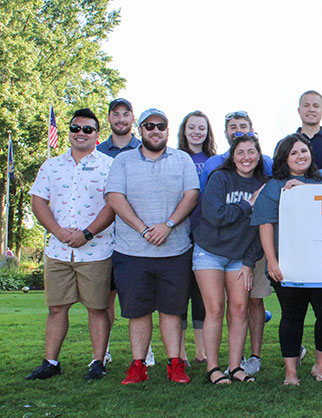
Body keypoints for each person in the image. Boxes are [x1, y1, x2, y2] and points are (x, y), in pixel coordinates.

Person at [105, 108, 199, 384]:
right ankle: (138, 366)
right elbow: (115, 197)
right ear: (140, 129)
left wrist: (167, 225)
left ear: (168, 130)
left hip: (176, 250)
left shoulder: (182, 160)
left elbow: (191, 195)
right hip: (132, 251)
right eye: (149, 126)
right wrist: (143, 229)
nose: (155, 130)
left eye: (161, 126)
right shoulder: (123, 161)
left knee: (172, 310)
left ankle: (175, 365)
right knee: (138, 311)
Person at [27, 108, 115, 381]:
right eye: (75, 128)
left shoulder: (109, 166)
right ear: (68, 132)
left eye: (87, 129)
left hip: (97, 250)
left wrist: (86, 234)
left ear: (97, 135)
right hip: (58, 250)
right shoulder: (51, 166)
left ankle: (97, 362)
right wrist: (58, 232)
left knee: (97, 308)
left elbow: (114, 203)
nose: (81, 133)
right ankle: (51, 362)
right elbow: (38, 201)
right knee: (56, 308)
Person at [252, 133, 322, 386]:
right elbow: (265, 224)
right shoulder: (274, 186)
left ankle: (321, 365)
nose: (300, 156)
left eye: (304, 150)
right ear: (284, 158)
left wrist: (306, 190)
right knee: (292, 317)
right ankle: (291, 372)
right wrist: (272, 261)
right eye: (293, 153)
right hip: (289, 265)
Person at [199, 110, 273, 376]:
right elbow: (216, 216)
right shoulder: (219, 178)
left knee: (240, 309)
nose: (246, 158)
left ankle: (236, 367)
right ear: (232, 155)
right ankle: (213, 368)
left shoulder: (264, 184)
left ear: (258, 155)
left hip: (240, 256)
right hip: (210, 252)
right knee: (216, 308)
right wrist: (247, 204)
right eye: (240, 153)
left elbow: (260, 229)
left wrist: (249, 261)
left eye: (251, 152)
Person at [96, 97, 142, 365]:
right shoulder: (99, 151)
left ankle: (143, 351)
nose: (121, 119)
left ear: (133, 119)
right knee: (106, 297)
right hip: (104, 235)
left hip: (136, 233)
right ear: (110, 119)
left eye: (126, 114)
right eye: (116, 114)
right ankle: (105, 349)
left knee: (138, 296)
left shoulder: (144, 147)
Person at [177, 110, 217, 366]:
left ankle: (201, 351)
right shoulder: (176, 158)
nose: (196, 132)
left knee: (202, 294)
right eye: (192, 127)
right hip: (179, 232)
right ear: (184, 130)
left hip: (206, 233)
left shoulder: (214, 160)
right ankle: (179, 351)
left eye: (201, 128)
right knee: (179, 292)